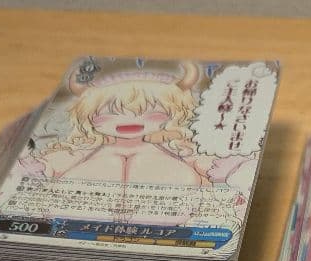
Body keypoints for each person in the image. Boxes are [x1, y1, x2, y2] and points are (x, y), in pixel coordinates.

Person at [22, 62, 209, 187]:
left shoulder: (172, 146)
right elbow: (55, 165)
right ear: (89, 115)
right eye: (108, 113)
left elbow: (201, 164)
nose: (130, 119)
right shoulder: (89, 148)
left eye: (152, 112)